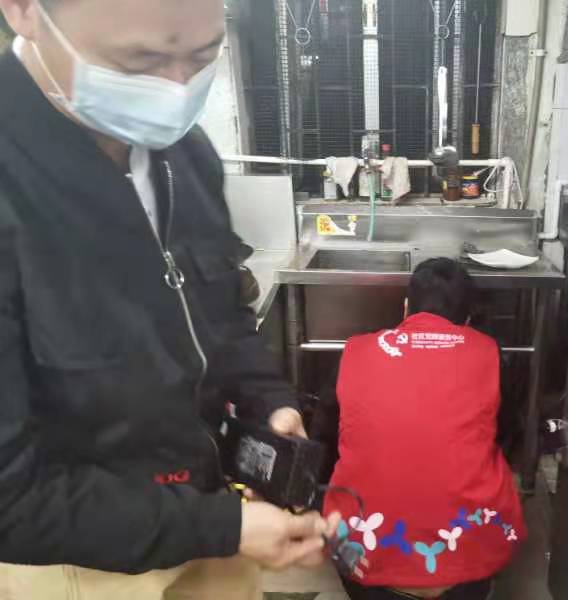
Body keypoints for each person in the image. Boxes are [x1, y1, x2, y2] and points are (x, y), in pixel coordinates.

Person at [0, 0, 338, 598]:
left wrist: (267, 400)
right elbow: (10, 501)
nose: (175, 91)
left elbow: (221, 312)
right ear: (25, 10)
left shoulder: (184, 153)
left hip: (210, 519)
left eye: (203, 57)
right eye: (140, 61)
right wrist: (223, 526)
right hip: (84, 564)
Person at [325, 258, 527, 600]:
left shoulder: (356, 352)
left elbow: (326, 437)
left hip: (362, 566)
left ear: (406, 307)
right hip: (468, 573)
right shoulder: (490, 354)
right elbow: (507, 434)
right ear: (467, 320)